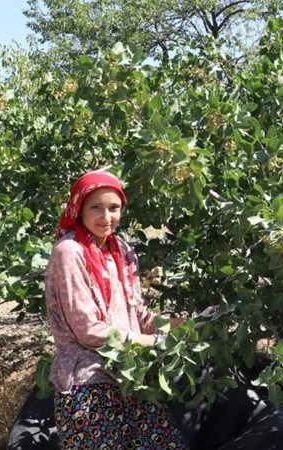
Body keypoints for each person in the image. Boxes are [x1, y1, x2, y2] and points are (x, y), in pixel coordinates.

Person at [45, 169, 187, 449]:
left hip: (132, 378)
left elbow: (139, 314)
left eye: (114, 208)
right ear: (79, 209)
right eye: (96, 207)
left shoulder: (120, 250)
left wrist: (181, 326)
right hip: (88, 385)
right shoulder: (69, 252)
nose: (106, 217)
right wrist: (152, 342)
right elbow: (88, 330)